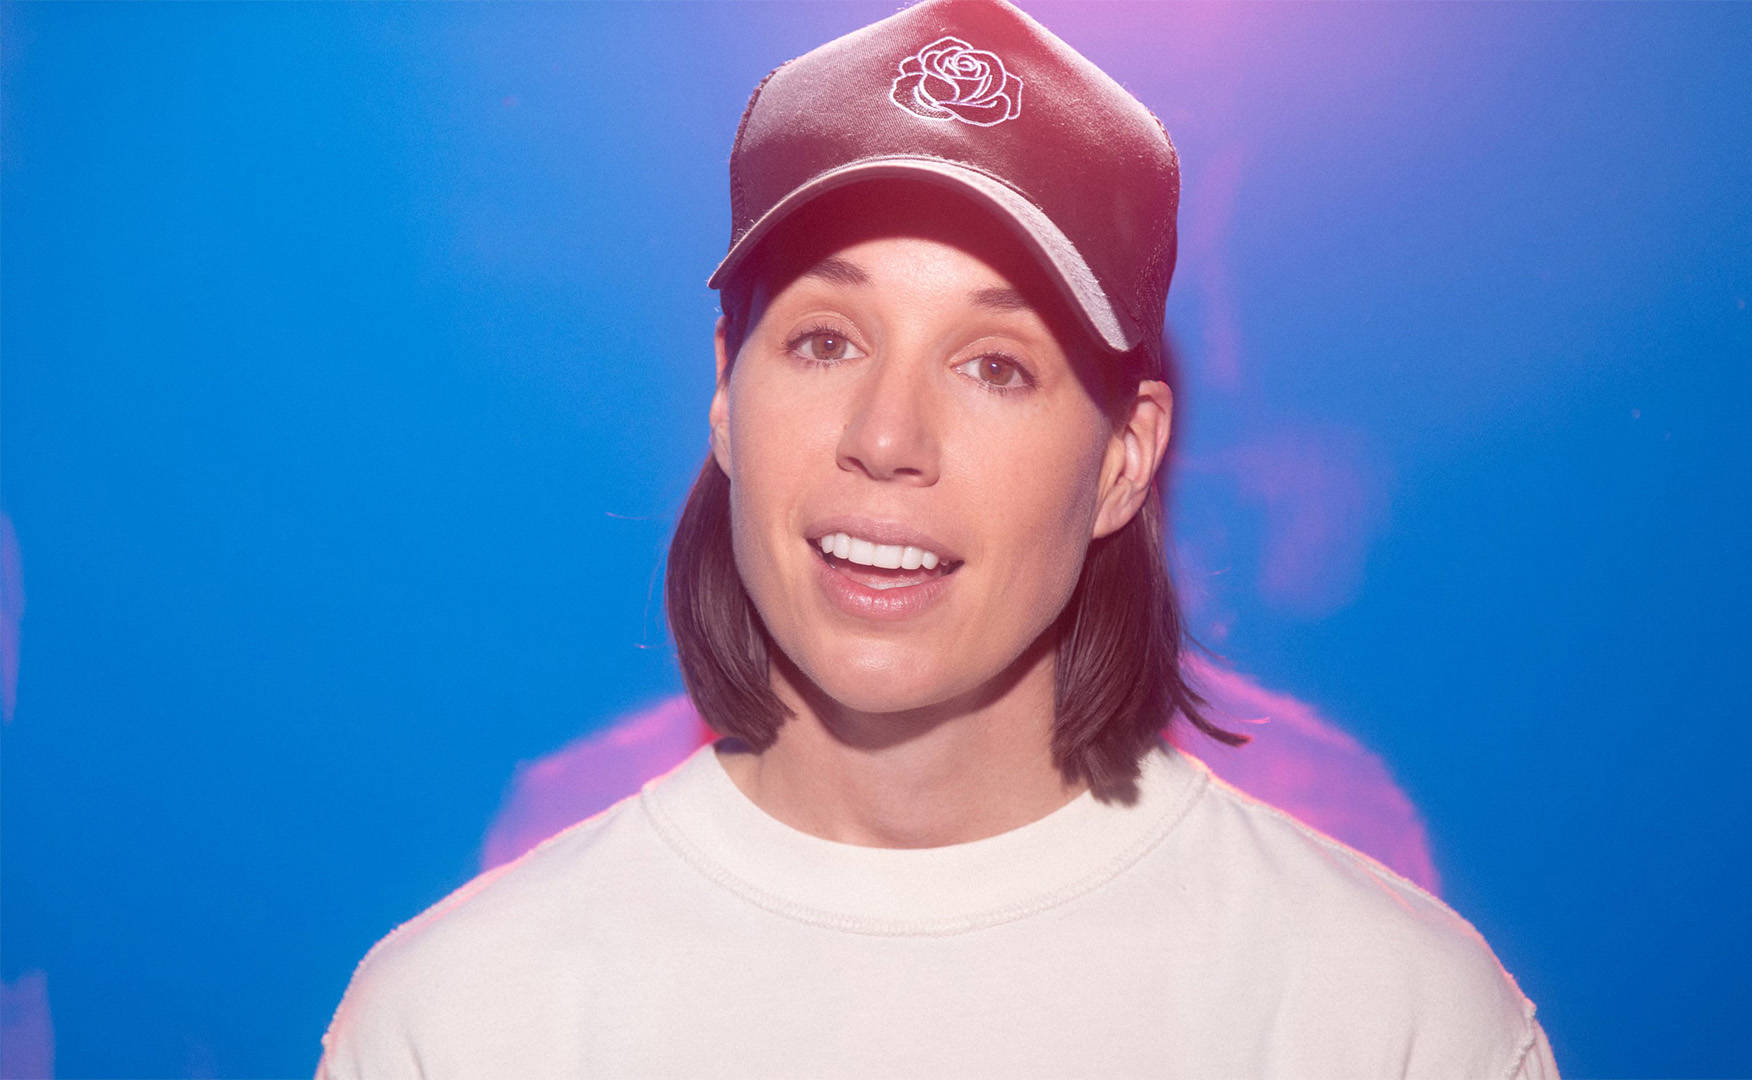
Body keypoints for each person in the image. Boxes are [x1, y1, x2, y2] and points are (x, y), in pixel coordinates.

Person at [316, 1, 1559, 1076]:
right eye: (825, 340)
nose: (888, 435)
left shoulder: (1387, 1018)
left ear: (1125, 459)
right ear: (724, 395)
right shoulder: (469, 1018)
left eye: (996, 365)